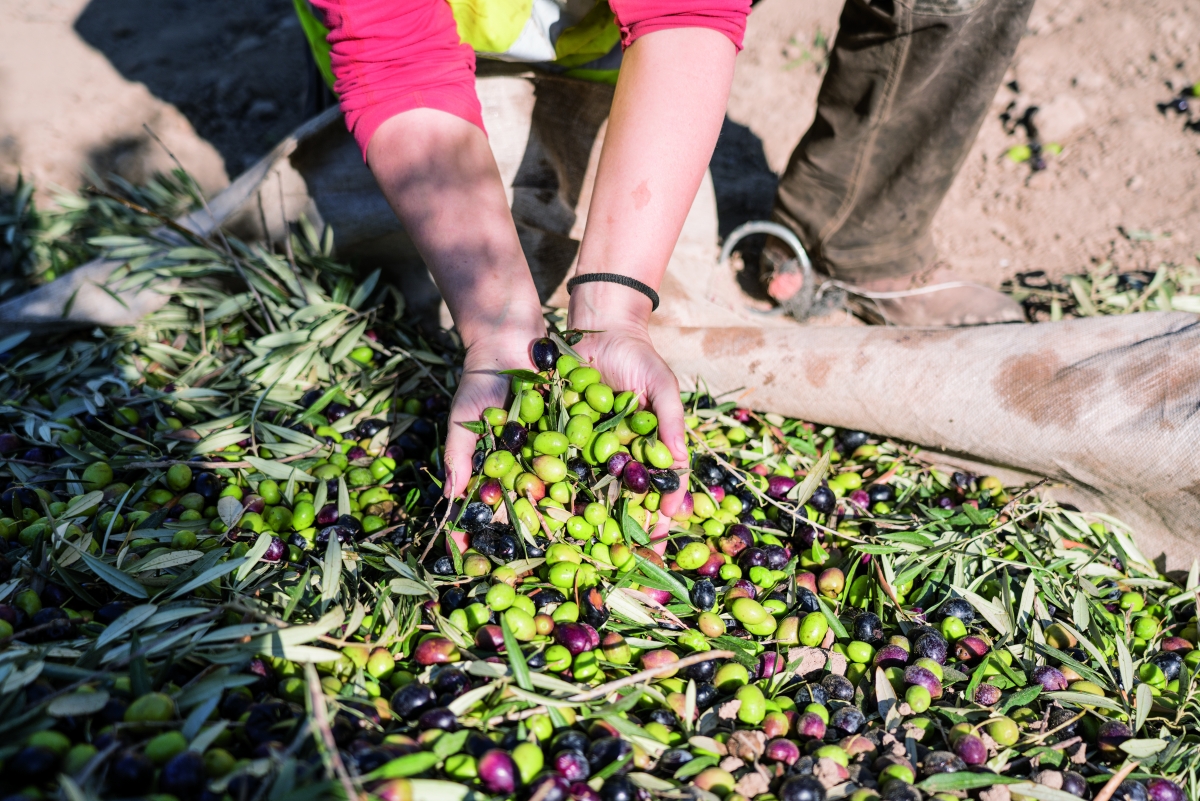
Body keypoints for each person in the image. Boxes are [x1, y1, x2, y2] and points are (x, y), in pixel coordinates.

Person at [305, 0, 1034, 508]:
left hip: (631, 43)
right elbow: (395, 53)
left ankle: (861, 234)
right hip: (443, 56)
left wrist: (613, 309)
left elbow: (684, 13)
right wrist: (496, 328)